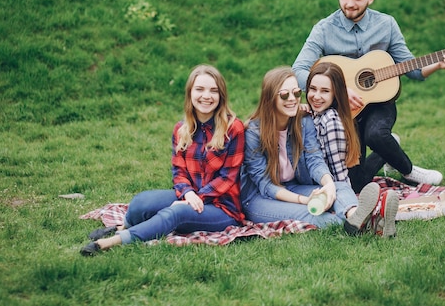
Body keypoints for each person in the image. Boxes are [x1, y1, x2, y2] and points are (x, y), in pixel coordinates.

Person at [293, 0, 445, 193]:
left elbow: (411, 68)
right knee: (356, 184)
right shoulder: (323, 29)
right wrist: (339, 92)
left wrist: (439, 64)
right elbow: (299, 69)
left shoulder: (386, 24)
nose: (350, 3)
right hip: (343, 109)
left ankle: (408, 169)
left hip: (379, 103)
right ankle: (390, 149)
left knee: (376, 134)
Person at [81, 65, 245, 255]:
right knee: (140, 203)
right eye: (200, 89)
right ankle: (122, 226)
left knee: (175, 213)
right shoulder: (181, 129)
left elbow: (228, 177)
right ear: (190, 93)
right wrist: (188, 194)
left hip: (222, 208)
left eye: (213, 91)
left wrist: (194, 199)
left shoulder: (233, 128)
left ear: (221, 96)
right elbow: (179, 171)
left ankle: (111, 241)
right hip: (190, 196)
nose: (206, 96)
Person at [240, 66, 393, 237]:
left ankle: (355, 216)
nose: (292, 99)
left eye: (297, 93)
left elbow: (314, 159)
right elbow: (266, 185)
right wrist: (304, 201)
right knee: (312, 214)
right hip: (259, 198)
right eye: (284, 95)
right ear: (270, 97)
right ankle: (373, 222)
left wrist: (328, 185)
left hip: (294, 186)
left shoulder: (303, 121)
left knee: (339, 186)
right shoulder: (254, 132)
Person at [304, 61, 398, 237]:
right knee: (365, 170)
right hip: (334, 173)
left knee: (361, 178)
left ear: (336, 94)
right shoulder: (317, 113)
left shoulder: (330, 120)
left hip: (340, 178)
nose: (316, 96)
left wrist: (346, 195)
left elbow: (338, 173)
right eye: (313, 89)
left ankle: (371, 213)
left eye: (325, 91)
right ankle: (387, 151)